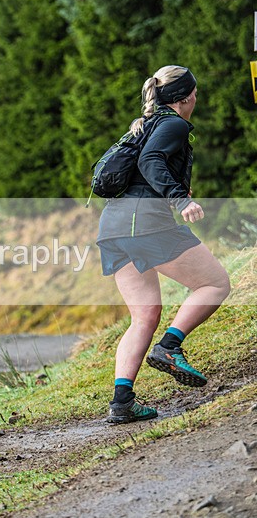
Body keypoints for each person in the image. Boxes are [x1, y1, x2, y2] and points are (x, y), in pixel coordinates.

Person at [96, 65, 231, 424]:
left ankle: (122, 402)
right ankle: (170, 347)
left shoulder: (145, 124)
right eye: (195, 94)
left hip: (113, 226)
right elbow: (150, 160)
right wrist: (180, 198)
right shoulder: (173, 124)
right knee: (215, 283)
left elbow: (144, 165)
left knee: (144, 316)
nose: (196, 99)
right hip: (144, 223)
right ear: (184, 98)